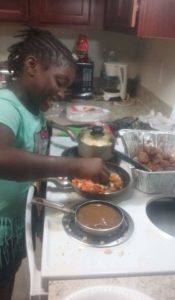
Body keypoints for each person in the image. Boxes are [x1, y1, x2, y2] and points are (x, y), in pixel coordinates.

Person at [0, 27, 109, 299]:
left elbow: (33, 141)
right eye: (60, 82)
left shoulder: (32, 108)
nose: (62, 93)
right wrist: (73, 167)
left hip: (15, 221)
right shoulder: (6, 106)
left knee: (8, 274)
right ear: (32, 66)